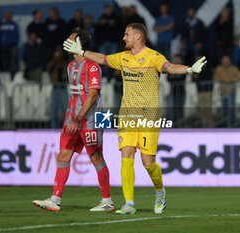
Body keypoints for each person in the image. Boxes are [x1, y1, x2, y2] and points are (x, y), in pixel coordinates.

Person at [63, 23, 206, 214]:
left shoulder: (153, 57)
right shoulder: (123, 58)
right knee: (126, 155)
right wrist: (81, 51)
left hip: (149, 116)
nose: (123, 38)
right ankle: (129, 203)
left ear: (138, 37)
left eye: (127, 34)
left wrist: (189, 69)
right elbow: (102, 59)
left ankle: (160, 191)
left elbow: (170, 67)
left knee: (148, 163)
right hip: (127, 115)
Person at [33, 28, 114, 212]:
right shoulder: (71, 66)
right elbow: (76, 94)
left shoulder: (93, 66)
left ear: (80, 44)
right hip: (73, 119)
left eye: (70, 40)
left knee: (96, 157)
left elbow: (93, 95)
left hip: (92, 118)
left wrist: (78, 118)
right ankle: (55, 199)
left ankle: (107, 201)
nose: (66, 42)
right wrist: (72, 118)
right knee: (63, 155)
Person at [213, 55, 240, 127]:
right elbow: (215, 78)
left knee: (231, 108)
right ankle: (225, 123)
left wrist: (230, 79)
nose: (226, 62)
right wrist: (223, 79)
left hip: (232, 92)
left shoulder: (234, 68)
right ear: (222, 61)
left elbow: (239, 78)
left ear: (230, 61)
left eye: (227, 60)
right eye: (224, 60)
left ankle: (232, 123)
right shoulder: (218, 69)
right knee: (225, 108)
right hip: (223, 92)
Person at [47, 47, 68, 128]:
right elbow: (48, 69)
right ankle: (53, 128)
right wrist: (54, 61)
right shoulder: (52, 63)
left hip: (63, 88)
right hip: (55, 88)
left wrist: (61, 63)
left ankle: (66, 129)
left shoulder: (65, 64)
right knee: (53, 112)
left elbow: (68, 74)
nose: (58, 56)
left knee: (65, 112)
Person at [0, 11, 20, 77]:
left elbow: (17, 36)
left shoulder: (14, 25)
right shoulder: (2, 25)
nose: (7, 16)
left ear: (11, 16)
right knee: (4, 65)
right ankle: (6, 79)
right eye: (6, 15)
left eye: (8, 15)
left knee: (13, 65)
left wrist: (15, 47)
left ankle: (13, 79)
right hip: (3, 48)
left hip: (12, 48)